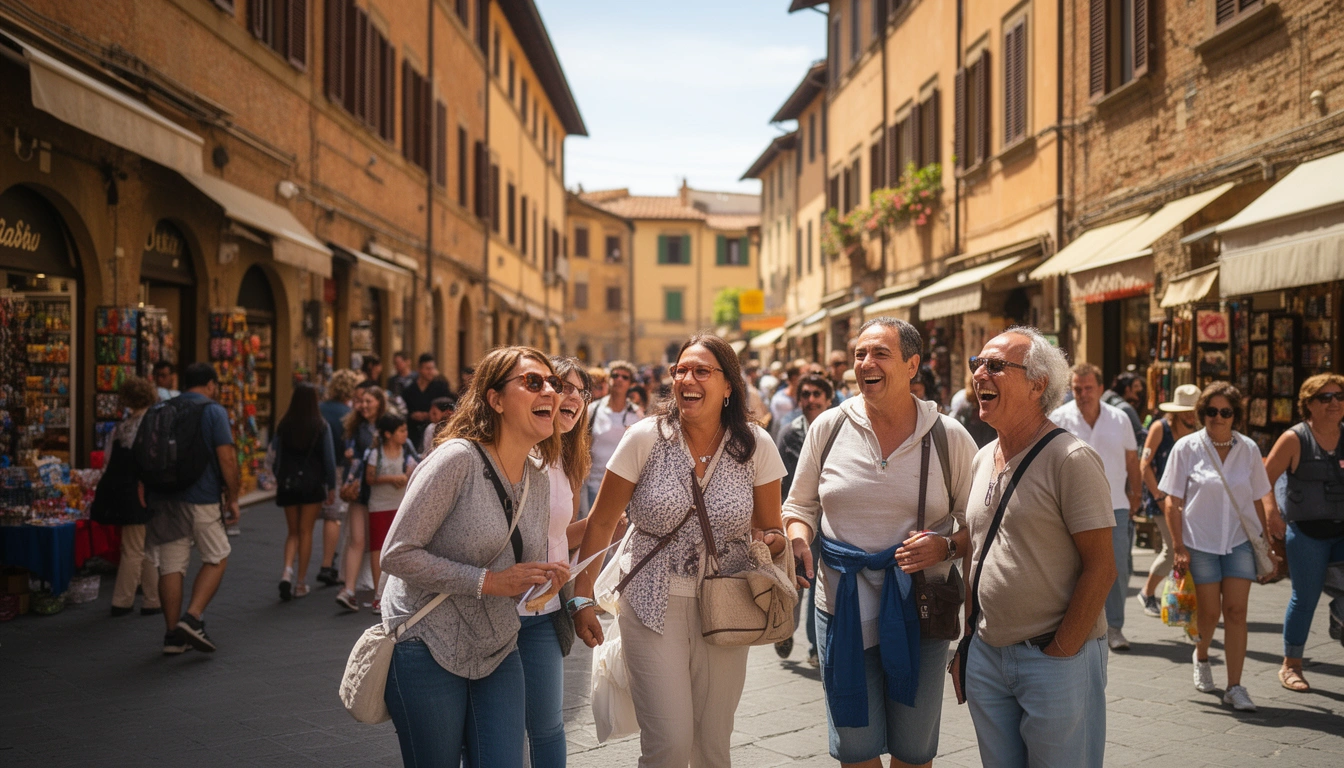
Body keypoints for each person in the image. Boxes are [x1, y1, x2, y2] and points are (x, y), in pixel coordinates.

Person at [571, 334, 789, 767]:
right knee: (668, 742)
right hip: (651, 602)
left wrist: (773, 542)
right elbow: (599, 522)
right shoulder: (644, 438)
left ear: (729, 386)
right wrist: (582, 596)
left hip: (727, 605)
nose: (687, 379)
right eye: (681, 370)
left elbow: (771, 527)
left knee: (712, 744)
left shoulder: (756, 446)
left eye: (701, 371)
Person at [784, 318, 978, 768]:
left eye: (880, 354)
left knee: (913, 750)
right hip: (840, 605)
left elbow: (979, 525)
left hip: (922, 610)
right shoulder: (829, 427)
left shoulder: (948, 437)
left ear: (913, 365)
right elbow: (799, 507)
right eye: (859, 354)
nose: (865, 363)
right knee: (856, 749)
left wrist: (945, 548)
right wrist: (798, 540)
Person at [380, 346, 569, 767]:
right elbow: (395, 554)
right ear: (495, 399)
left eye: (553, 384)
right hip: (427, 642)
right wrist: (487, 582)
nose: (550, 392)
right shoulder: (456, 460)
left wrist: (545, 578)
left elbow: (517, 569)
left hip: (497, 644)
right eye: (533, 382)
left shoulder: (539, 477)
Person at [963, 327, 1116, 767]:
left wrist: (1063, 650)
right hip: (989, 657)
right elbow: (980, 546)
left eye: (996, 366)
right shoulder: (981, 457)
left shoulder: (1071, 459)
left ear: (1037, 385)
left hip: (1054, 657)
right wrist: (970, 642)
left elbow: (1102, 567)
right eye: (979, 363)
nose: (980, 374)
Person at [1160, 382, 1274, 712]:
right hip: (1200, 542)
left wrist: (1265, 545)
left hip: (1239, 542)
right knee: (1209, 613)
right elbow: (1172, 501)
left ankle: (1235, 686)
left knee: (1237, 612)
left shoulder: (1249, 449)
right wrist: (1178, 546)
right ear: (1202, 414)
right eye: (1211, 411)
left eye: (1225, 412)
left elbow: (1257, 499)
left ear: (1235, 415)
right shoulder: (1187, 448)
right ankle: (1202, 654)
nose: (1218, 417)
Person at [517, 356, 593, 767]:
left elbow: (558, 539)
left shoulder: (570, 459)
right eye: (564, 386)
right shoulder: (521, 452)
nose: (572, 397)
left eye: (581, 391)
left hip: (545, 611)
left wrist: (604, 527)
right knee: (502, 728)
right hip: (499, 608)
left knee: (548, 728)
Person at [146, 362, 240, 654]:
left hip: (163, 497)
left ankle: (172, 636)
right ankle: (193, 616)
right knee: (217, 555)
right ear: (211, 385)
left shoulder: (159, 409)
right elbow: (227, 458)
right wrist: (233, 497)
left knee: (171, 565)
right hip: (201, 497)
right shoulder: (213, 411)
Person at [1261, 373, 1344, 693]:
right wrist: (1271, 515)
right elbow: (1263, 481)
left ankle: (1339, 617)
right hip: (1306, 533)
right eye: (1325, 397)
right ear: (1308, 404)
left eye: (1339, 396)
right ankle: (1291, 664)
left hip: (1341, 531)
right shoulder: (1295, 438)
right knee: (1304, 599)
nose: (1334, 402)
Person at [1050, 362, 1141, 651]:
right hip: (1070, 507)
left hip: (1115, 505)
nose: (1083, 394)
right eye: (1077, 388)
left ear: (1101, 389)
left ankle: (1114, 627)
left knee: (1117, 569)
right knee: (1069, 568)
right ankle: (1074, 624)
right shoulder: (1058, 418)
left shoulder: (1120, 418)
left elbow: (1131, 460)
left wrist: (1136, 493)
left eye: (1089, 388)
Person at [774, 372, 835, 665]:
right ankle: (786, 627)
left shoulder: (838, 430)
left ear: (828, 399)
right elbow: (778, 481)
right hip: (798, 520)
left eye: (816, 395)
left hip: (831, 521)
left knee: (818, 581)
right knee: (795, 576)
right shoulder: (789, 433)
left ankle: (815, 645)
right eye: (806, 395)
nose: (811, 400)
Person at [1135, 384, 1201, 616]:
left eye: (1194, 410)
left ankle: (1180, 601)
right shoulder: (1160, 427)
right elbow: (1145, 464)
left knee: (1186, 550)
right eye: (1187, 411)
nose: (1191, 415)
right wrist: (1159, 496)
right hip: (1162, 497)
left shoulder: (1199, 430)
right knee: (1172, 549)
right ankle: (1147, 592)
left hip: (1189, 500)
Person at [272, 383, 338, 601]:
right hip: (312, 484)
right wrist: (331, 486)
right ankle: (300, 583)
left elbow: (275, 455)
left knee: (292, 532)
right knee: (306, 531)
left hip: (288, 484)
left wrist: (278, 477)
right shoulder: (320, 425)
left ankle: (286, 571)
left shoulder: (284, 424)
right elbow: (329, 460)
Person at [106, 378, 161, 617]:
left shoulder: (121, 429)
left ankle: (123, 600)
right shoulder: (156, 426)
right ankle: (152, 599)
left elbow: (109, 462)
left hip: (128, 492)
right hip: (152, 491)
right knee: (149, 546)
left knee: (131, 547)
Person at [336, 386, 389, 612]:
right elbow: (351, 452)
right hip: (361, 490)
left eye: (369, 401)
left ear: (379, 403)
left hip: (383, 492)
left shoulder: (388, 425)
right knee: (357, 540)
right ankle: (348, 591)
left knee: (382, 544)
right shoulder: (355, 426)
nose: (364, 405)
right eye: (362, 402)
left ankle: (383, 593)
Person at [366, 413, 419, 614]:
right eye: (402, 431)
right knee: (378, 549)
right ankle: (378, 595)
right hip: (379, 504)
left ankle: (392, 593)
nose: (406, 434)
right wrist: (392, 478)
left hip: (400, 505)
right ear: (388, 434)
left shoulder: (407, 450)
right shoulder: (375, 453)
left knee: (396, 547)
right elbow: (370, 478)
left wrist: (406, 476)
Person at [317, 369, 361, 587]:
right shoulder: (349, 413)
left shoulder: (319, 408)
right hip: (337, 467)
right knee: (332, 516)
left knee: (301, 528)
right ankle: (327, 564)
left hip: (314, 467)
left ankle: (293, 573)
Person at [582, 360, 643, 516]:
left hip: (625, 489)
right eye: (615, 375)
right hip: (595, 485)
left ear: (630, 383)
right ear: (609, 379)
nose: (619, 379)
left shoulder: (636, 414)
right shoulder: (593, 410)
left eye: (625, 377)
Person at [401, 353, 453, 449]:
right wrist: (412, 415)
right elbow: (403, 410)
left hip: (436, 433)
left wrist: (429, 415)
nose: (431, 372)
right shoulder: (409, 389)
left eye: (432, 368)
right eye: (427, 369)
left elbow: (449, 406)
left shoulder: (441, 387)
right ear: (419, 369)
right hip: (413, 433)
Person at [1104, 371, 1147, 445]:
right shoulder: (1126, 409)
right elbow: (1140, 436)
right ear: (1127, 389)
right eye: (1136, 386)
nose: (1140, 389)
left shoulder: (1107, 399)